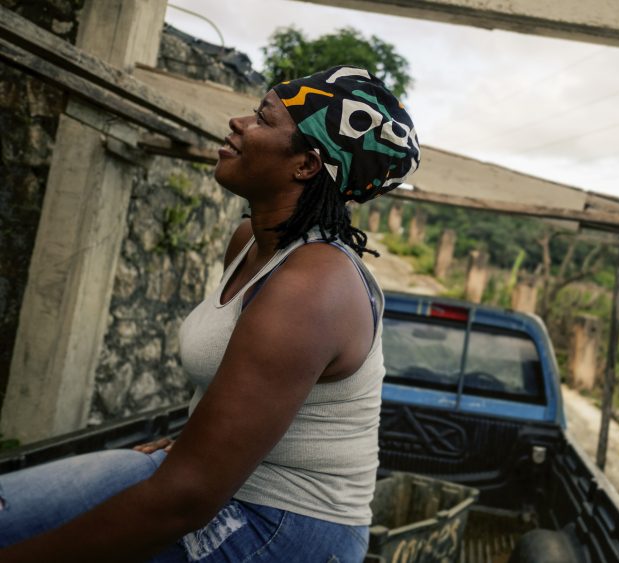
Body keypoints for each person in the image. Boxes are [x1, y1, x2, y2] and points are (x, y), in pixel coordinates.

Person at [0, 65, 419, 562]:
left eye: (262, 118)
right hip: (215, 485)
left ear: (306, 165)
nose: (238, 122)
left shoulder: (313, 287)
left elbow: (185, 501)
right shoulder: (250, 242)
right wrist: (195, 449)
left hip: (286, 527)